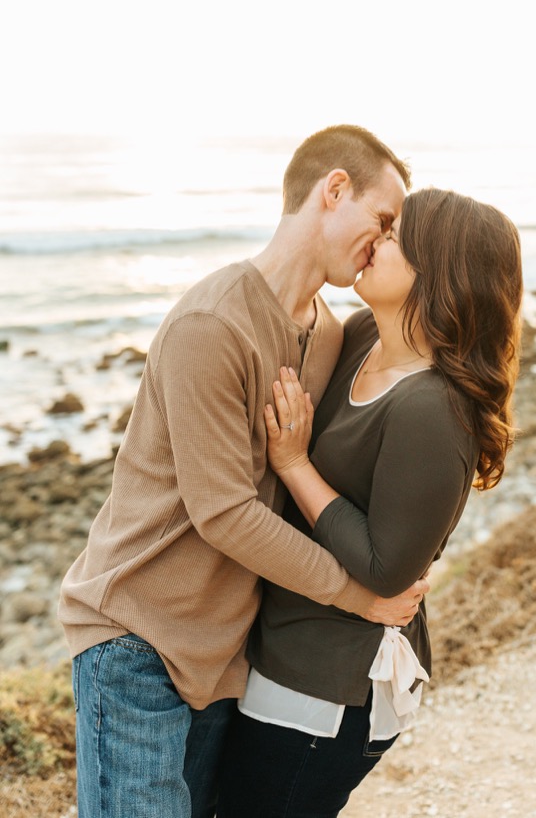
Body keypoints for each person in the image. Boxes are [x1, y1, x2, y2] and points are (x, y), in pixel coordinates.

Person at [59, 125, 431, 818]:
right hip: (138, 637)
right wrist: (358, 596)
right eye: (383, 220)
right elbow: (225, 511)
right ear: (334, 190)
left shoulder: (327, 333)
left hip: (226, 654)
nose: (384, 242)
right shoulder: (212, 324)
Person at [215, 187, 524, 816]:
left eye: (395, 237)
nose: (375, 241)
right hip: (280, 646)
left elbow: (388, 570)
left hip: (331, 683)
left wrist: (296, 465)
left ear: (439, 274)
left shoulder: (435, 407)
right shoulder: (358, 336)